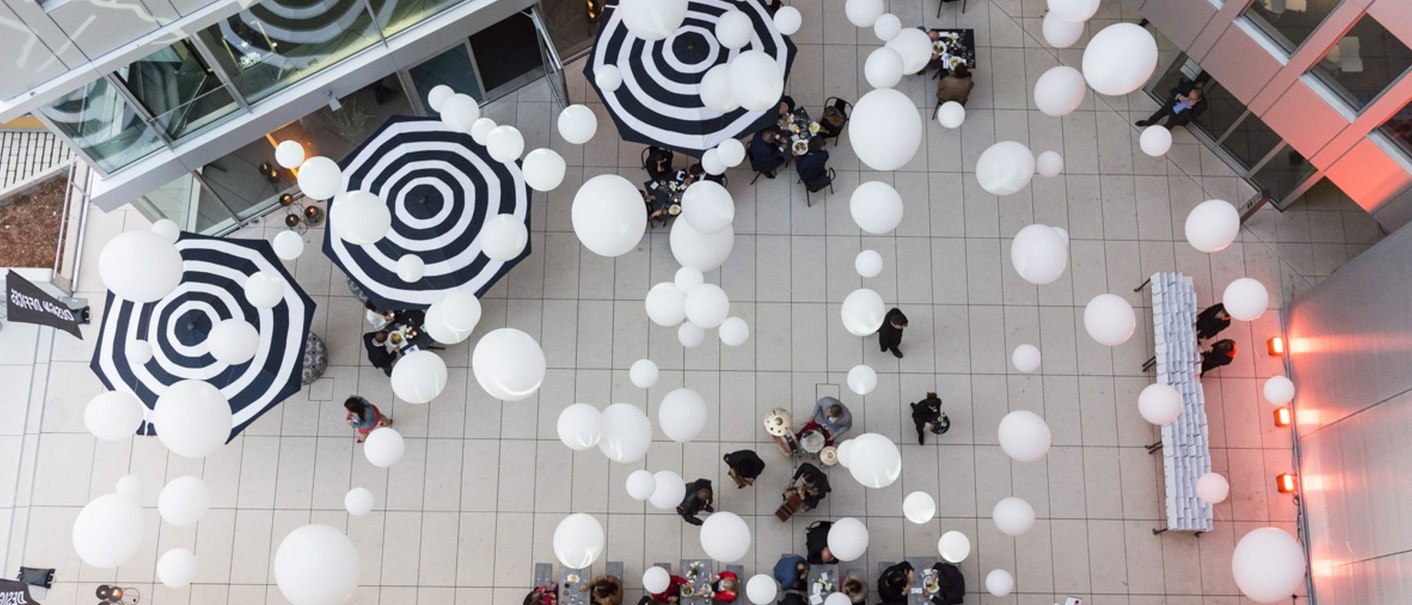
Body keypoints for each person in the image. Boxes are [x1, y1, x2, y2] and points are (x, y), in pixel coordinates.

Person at [1136, 81, 1207, 129]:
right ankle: (1149, 122)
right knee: (1159, 113)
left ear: (1197, 100)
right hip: (1173, 104)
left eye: (1191, 98)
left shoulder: (1202, 105)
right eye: (1189, 95)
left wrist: (1189, 107)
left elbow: (1191, 117)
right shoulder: (1188, 87)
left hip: (1180, 115)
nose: (1188, 98)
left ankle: (1161, 133)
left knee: (1169, 125)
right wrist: (1180, 96)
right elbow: (1173, 90)